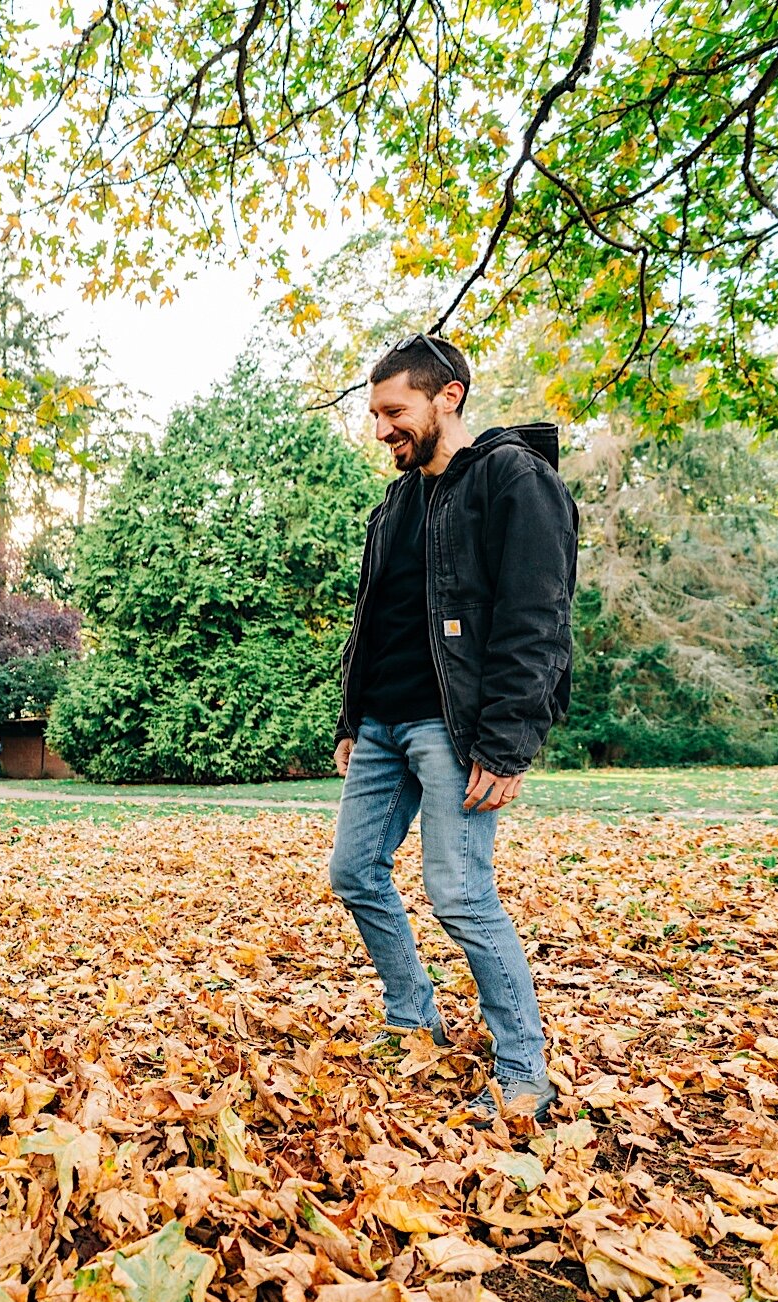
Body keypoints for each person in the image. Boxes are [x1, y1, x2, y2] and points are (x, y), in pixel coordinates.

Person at [329, 333, 578, 1122]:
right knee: (354, 870)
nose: (382, 429)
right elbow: (374, 621)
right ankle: (413, 1019)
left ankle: (522, 1074)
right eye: (374, 414)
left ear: (449, 397)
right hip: (382, 726)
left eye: (394, 411)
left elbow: (537, 618)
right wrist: (352, 716)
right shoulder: (397, 502)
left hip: (455, 727)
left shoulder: (512, 479)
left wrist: (508, 742)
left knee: (461, 894)